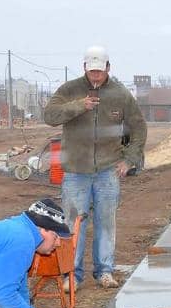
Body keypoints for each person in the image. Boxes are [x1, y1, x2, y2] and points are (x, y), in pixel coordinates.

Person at [43, 45, 147, 289]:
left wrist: (129, 159)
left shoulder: (120, 94)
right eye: (92, 72)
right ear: (85, 69)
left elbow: (138, 128)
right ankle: (72, 274)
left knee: (106, 221)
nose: (96, 76)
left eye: (100, 71)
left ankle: (104, 271)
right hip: (76, 172)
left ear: (108, 68)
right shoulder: (70, 90)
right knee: (73, 224)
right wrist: (79, 106)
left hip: (108, 171)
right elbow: (49, 116)